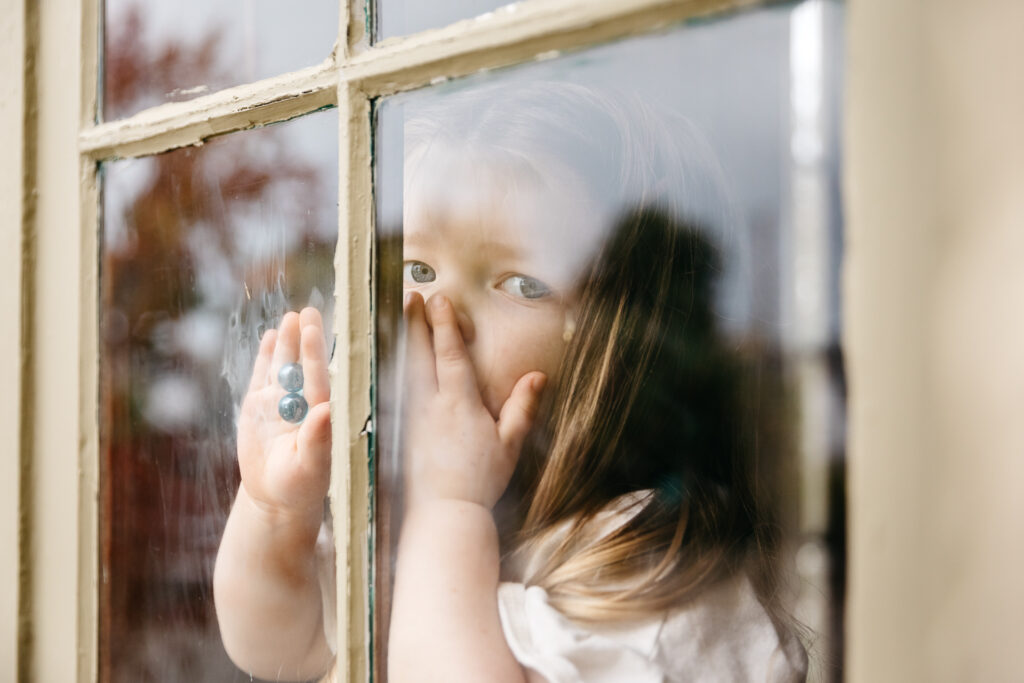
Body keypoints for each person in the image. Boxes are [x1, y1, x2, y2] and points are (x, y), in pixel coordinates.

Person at [214, 82, 808, 682]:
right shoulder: (410, 519)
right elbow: (277, 644)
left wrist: (450, 503)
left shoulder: (651, 572)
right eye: (418, 269)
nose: (441, 311)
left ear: (619, 344)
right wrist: (273, 510)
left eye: (520, 283)